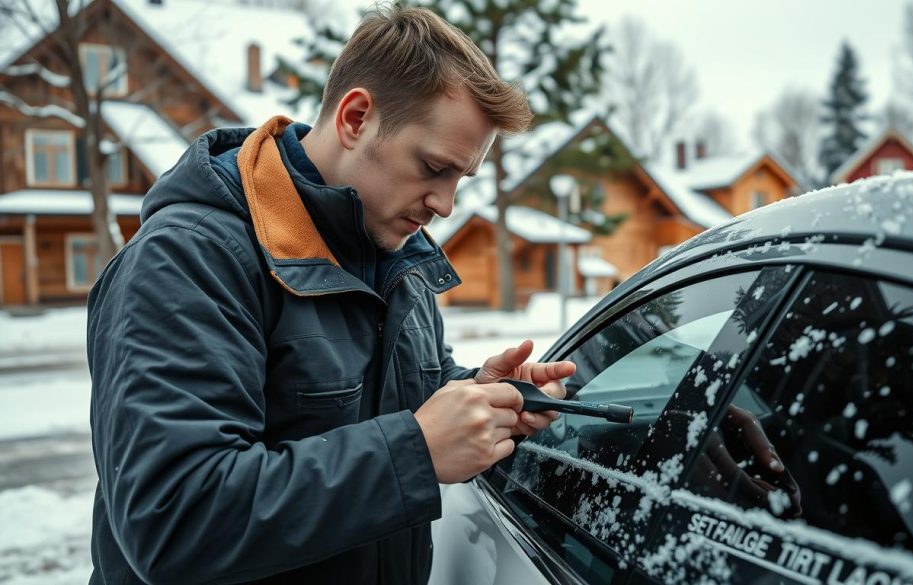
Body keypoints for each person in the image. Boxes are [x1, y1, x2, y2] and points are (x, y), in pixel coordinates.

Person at [86, 5, 573, 584]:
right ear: (356, 117)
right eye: (433, 167)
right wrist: (416, 452)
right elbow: (174, 519)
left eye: (459, 181)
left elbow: (388, 408)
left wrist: (474, 396)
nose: (445, 205)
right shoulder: (189, 259)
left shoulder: (397, 259)